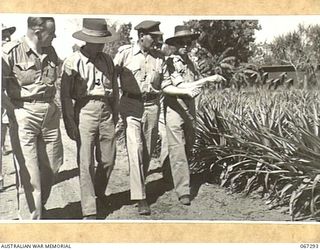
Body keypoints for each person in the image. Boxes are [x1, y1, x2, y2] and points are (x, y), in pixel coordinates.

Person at [1, 17, 63, 219]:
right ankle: (31, 223)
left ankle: (38, 205)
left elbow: (57, 79)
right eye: (51, 32)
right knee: (30, 175)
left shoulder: (51, 51)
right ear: (38, 32)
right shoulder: (11, 51)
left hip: (50, 114)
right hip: (24, 114)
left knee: (53, 165)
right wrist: (11, 110)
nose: (54, 36)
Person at [61, 18, 119, 220]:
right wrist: (69, 121)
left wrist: (115, 113)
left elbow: (115, 90)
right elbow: (65, 95)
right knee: (85, 162)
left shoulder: (107, 60)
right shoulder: (73, 61)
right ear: (88, 40)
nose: (102, 44)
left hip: (106, 111)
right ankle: (89, 209)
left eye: (103, 40)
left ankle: (99, 192)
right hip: (84, 110)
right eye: (99, 40)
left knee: (109, 159)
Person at [162, 25, 224, 205]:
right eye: (182, 42)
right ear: (175, 44)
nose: (186, 45)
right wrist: (210, 79)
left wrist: (204, 81)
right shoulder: (170, 62)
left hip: (189, 108)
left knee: (189, 144)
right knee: (178, 148)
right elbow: (181, 87)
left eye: (188, 42)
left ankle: (169, 173)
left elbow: (194, 83)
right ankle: (183, 190)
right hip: (175, 108)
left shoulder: (190, 61)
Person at [113, 20, 170, 215]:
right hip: (130, 104)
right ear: (141, 36)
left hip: (152, 105)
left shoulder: (160, 58)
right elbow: (111, 76)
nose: (156, 40)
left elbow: (166, 82)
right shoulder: (125, 54)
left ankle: (139, 183)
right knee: (135, 147)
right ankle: (140, 197)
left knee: (146, 149)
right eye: (152, 37)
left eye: (157, 37)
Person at [1, 24, 16, 191]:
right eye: (2, 35)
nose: (7, 38)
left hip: (12, 104)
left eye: (8, 35)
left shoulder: (12, 55)